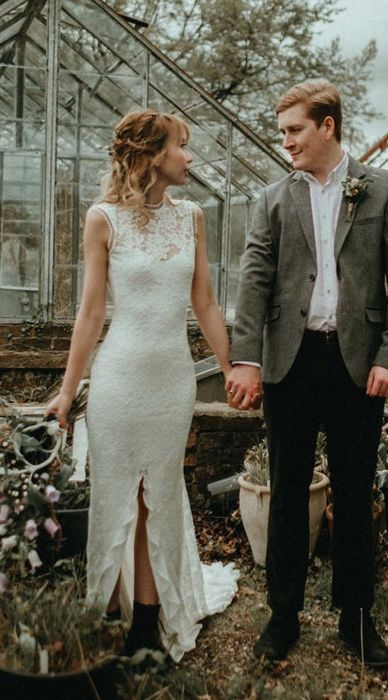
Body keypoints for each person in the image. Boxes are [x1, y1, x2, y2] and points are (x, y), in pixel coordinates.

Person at [226, 80, 388, 667]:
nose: (285, 141)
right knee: (287, 494)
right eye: (283, 131)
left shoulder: (382, 189)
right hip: (291, 362)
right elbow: (254, 281)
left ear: (327, 126)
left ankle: (357, 620)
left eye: (295, 130)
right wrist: (246, 359)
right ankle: (282, 619)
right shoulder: (274, 199)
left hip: (356, 364)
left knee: (355, 493)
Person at [45, 109, 239, 661]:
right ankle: (109, 610)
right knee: (118, 492)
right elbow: (90, 313)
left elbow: (204, 302)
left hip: (171, 381)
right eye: (183, 146)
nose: (191, 157)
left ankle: (146, 626)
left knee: (159, 496)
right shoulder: (102, 218)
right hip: (119, 379)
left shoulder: (193, 218)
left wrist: (230, 370)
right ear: (153, 154)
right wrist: (66, 390)